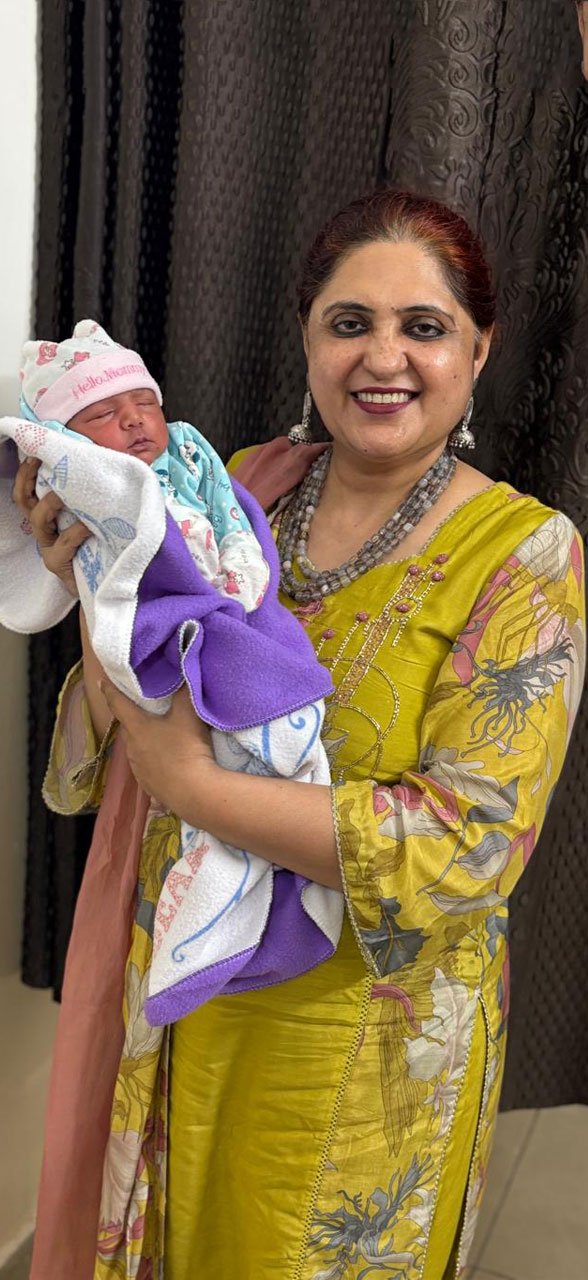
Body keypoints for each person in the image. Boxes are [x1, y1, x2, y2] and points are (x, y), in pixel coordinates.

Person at [14, 189, 585, 1280]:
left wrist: (194, 785)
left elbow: (467, 846)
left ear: (479, 349)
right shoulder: (234, 488)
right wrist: (96, 576)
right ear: (309, 337)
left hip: (356, 1057)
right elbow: (112, 732)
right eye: (349, 321)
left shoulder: (524, 556)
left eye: (424, 326)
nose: (384, 357)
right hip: (182, 1004)